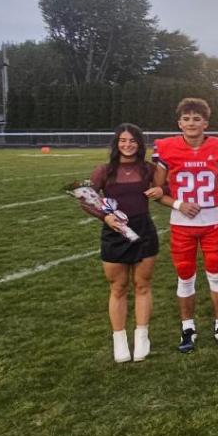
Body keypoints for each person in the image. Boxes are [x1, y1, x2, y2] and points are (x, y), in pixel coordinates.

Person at [150, 98, 218, 353]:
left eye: (196, 118)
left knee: (215, 273)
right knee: (185, 274)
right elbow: (157, 192)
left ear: (205, 123)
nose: (191, 123)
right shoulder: (166, 148)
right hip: (182, 224)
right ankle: (188, 328)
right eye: (186, 119)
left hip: (213, 222)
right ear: (179, 123)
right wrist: (178, 204)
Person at [88, 123, 160, 363]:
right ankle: (119, 339)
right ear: (116, 143)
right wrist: (105, 216)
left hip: (143, 232)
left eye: (132, 141)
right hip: (114, 234)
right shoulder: (104, 170)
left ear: (139, 144)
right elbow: (87, 200)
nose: (127, 145)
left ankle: (142, 336)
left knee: (142, 285)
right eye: (123, 140)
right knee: (118, 287)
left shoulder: (148, 169)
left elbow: (165, 189)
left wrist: (160, 191)